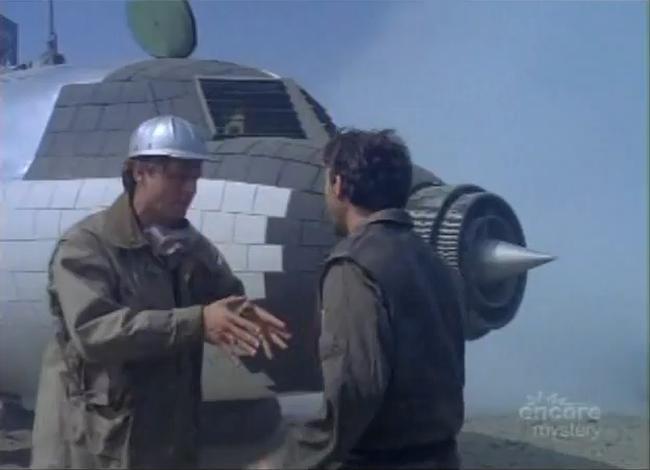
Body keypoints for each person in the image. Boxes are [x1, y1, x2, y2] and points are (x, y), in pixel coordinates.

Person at [30, 115, 290, 469]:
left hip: (164, 443)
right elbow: (95, 332)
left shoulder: (191, 247)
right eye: (177, 177)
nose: (189, 189)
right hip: (95, 447)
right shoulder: (87, 246)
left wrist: (240, 315)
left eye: (194, 178)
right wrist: (199, 322)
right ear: (140, 172)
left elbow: (222, 296)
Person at [255, 129, 466, 469]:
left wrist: (289, 461)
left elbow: (354, 389)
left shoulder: (354, 266)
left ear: (339, 185)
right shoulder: (437, 264)